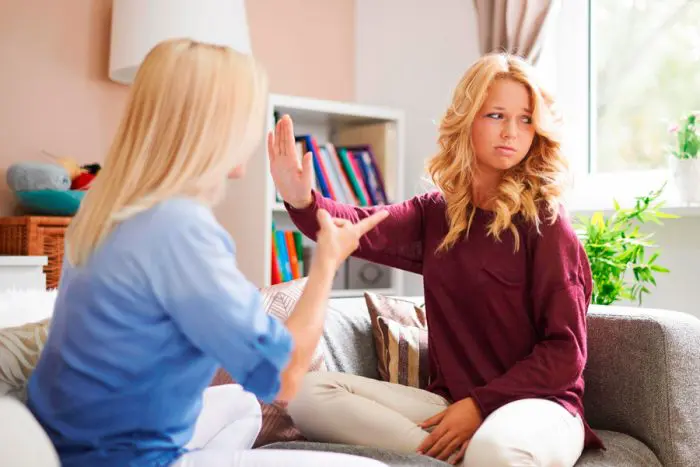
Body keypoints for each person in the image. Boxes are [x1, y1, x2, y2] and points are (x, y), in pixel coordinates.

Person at [25, 38, 389, 467]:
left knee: (242, 405)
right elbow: (286, 377)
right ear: (217, 126)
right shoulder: (180, 230)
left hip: (67, 441)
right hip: (129, 459)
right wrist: (327, 260)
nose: (258, 132)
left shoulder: (106, 210)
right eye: (252, 116)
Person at [269, 53, 604, 467]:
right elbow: (357, 227)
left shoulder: (547, 223)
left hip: (540, 406)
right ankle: (450, 455)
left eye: (525, 119)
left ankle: (462, 453)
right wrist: (300, 199)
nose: (512, 132)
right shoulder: (436, 213)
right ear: (467, 119)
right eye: (497, 115)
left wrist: (481, 405)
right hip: (451, 403)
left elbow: (565, 354)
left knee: (495, 451)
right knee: (306, 395)